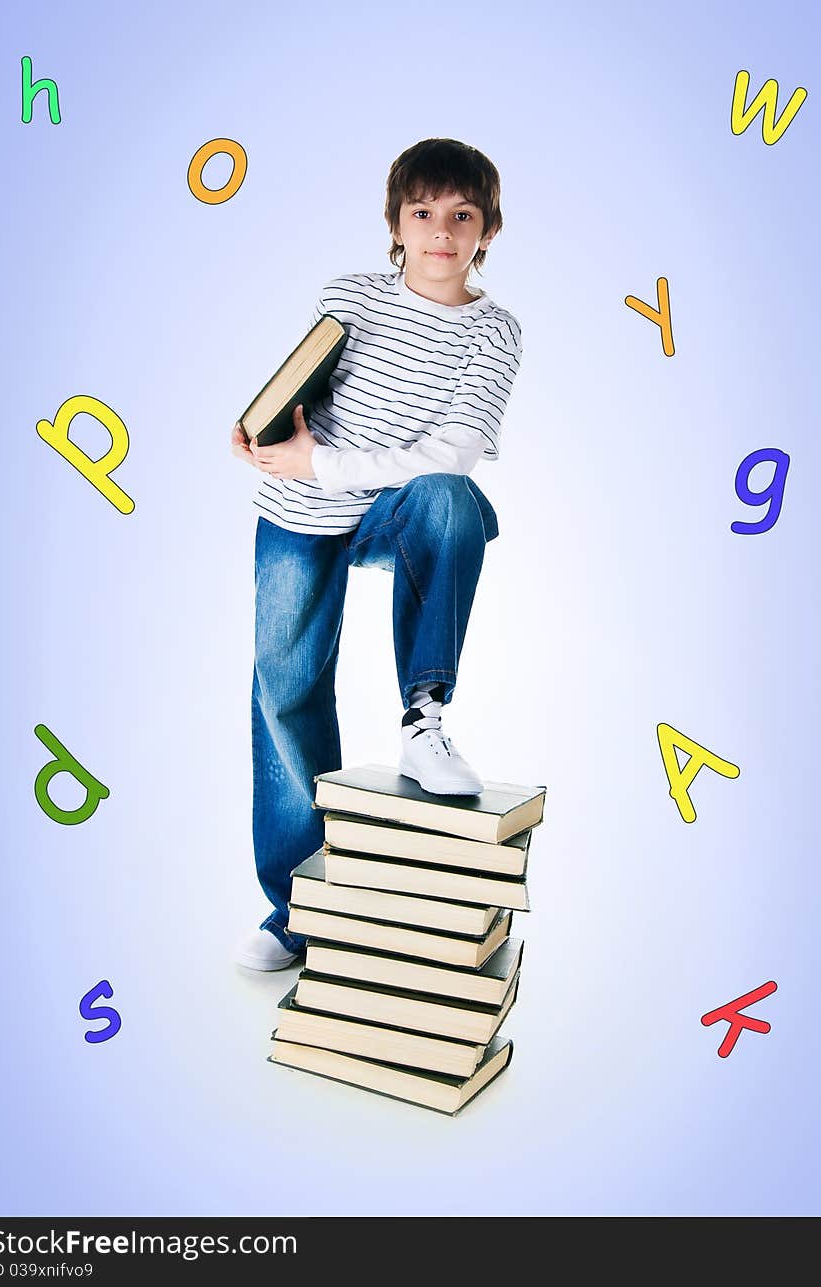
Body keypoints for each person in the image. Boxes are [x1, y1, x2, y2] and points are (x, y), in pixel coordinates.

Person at [231, 137, 522, 970]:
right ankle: (297, 908)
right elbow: (301, 384)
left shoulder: (494, 334)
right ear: (396, 223)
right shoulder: (348, 295)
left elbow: (454, 454)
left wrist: (324, 462)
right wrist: (256, 425)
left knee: (452, 499)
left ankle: (423, 717)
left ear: (486, 231)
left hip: (390, 509)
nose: (441, 231)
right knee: (285, 688)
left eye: (460, 216)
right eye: (423, 212)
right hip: (297, 506)